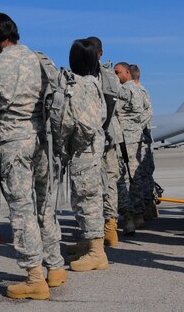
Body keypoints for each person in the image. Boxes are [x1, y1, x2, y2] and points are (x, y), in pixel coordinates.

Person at [0, 13, 64, 299]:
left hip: (13, 143)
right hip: (43, 141)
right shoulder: (39, 58)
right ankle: (56, 267)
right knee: (44, 205)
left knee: (22, 209)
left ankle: (34, 278)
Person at [58, 39, 109, 272]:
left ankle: (97, 253)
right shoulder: (93, 82)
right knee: (84, 197)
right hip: (90, 147)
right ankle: (89, 242)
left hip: (84, 149)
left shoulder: (80, 85)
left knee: (86, 198)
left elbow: (78, 121)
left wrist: (66, 143)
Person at [85, 36, 123, 247]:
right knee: (108, 181)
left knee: (98, 182)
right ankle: (109, 228)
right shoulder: (110, 75)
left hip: (98, 134)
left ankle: (104, 228)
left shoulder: (88, 75)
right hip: (108, 133)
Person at [114, 61, 146, 235]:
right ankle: (138, 214)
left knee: (121, 179)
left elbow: (112, 111)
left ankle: (128, 217)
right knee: (135, 178)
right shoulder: (138, 90)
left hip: (123, 140)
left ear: (127, 72)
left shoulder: (125, 90)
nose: (116, 76)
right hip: (134, 139)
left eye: (118, 73)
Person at [129, 63, 157, 221]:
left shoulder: (136, 91)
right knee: (146, 175)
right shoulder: (143, 90)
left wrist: (133, 128)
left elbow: (146, 113)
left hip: (139, 139)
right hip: (144, 139)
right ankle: (149, 206)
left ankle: (142, 209)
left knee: (139, 175)